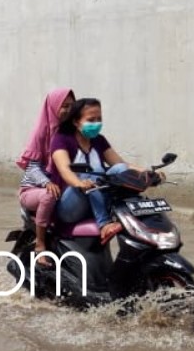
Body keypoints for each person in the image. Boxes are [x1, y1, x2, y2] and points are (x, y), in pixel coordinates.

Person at [48, 98, 155, 243]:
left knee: (120, 169)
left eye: (99, 119)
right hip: (69, 206)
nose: (96, 123)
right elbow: (65, 170)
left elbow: (121, 164)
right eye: (91, 120)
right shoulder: (61, 139)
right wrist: (80, 183)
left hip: (95, 197)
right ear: (75, 121)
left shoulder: (99, 140)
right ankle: (104, 223)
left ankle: (129, 216)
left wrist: (147, 173)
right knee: (92, 171)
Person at [14, 88, 75, 267]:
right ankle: (40, 246)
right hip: (33, 189)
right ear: (53, 106)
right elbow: (32, 167)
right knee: (49, 195)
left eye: (71, 106)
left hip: (60, 186)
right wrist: (46, 182)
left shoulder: (71, 132)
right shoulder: (41, 132)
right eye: (63, 106)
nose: (67, 110)